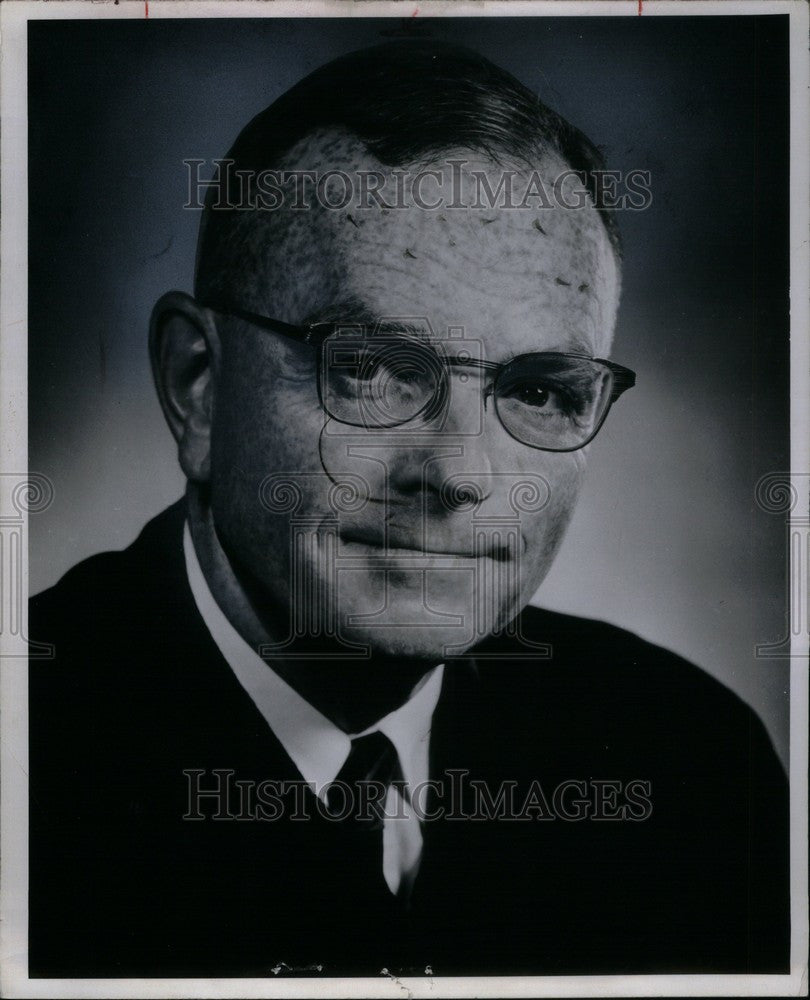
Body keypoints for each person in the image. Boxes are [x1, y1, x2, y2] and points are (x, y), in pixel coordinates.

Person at [29, 41, 789, 978]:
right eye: (373, 368)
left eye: (542, 390)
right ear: (198, 386)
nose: (460, 473)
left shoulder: (694, 772)